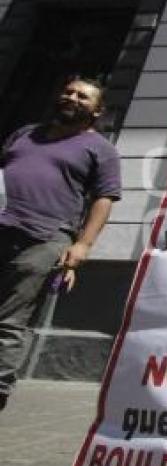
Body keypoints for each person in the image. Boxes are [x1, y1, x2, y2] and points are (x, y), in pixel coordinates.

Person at [0, 78, 121, 411]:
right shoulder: (25, 134)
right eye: (68, 91)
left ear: (97, 110)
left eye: (83, 96)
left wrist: (82, 247)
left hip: (43, 239)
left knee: (9, 320)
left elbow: (104, 199)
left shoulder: (101, 149)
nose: (72, 97)